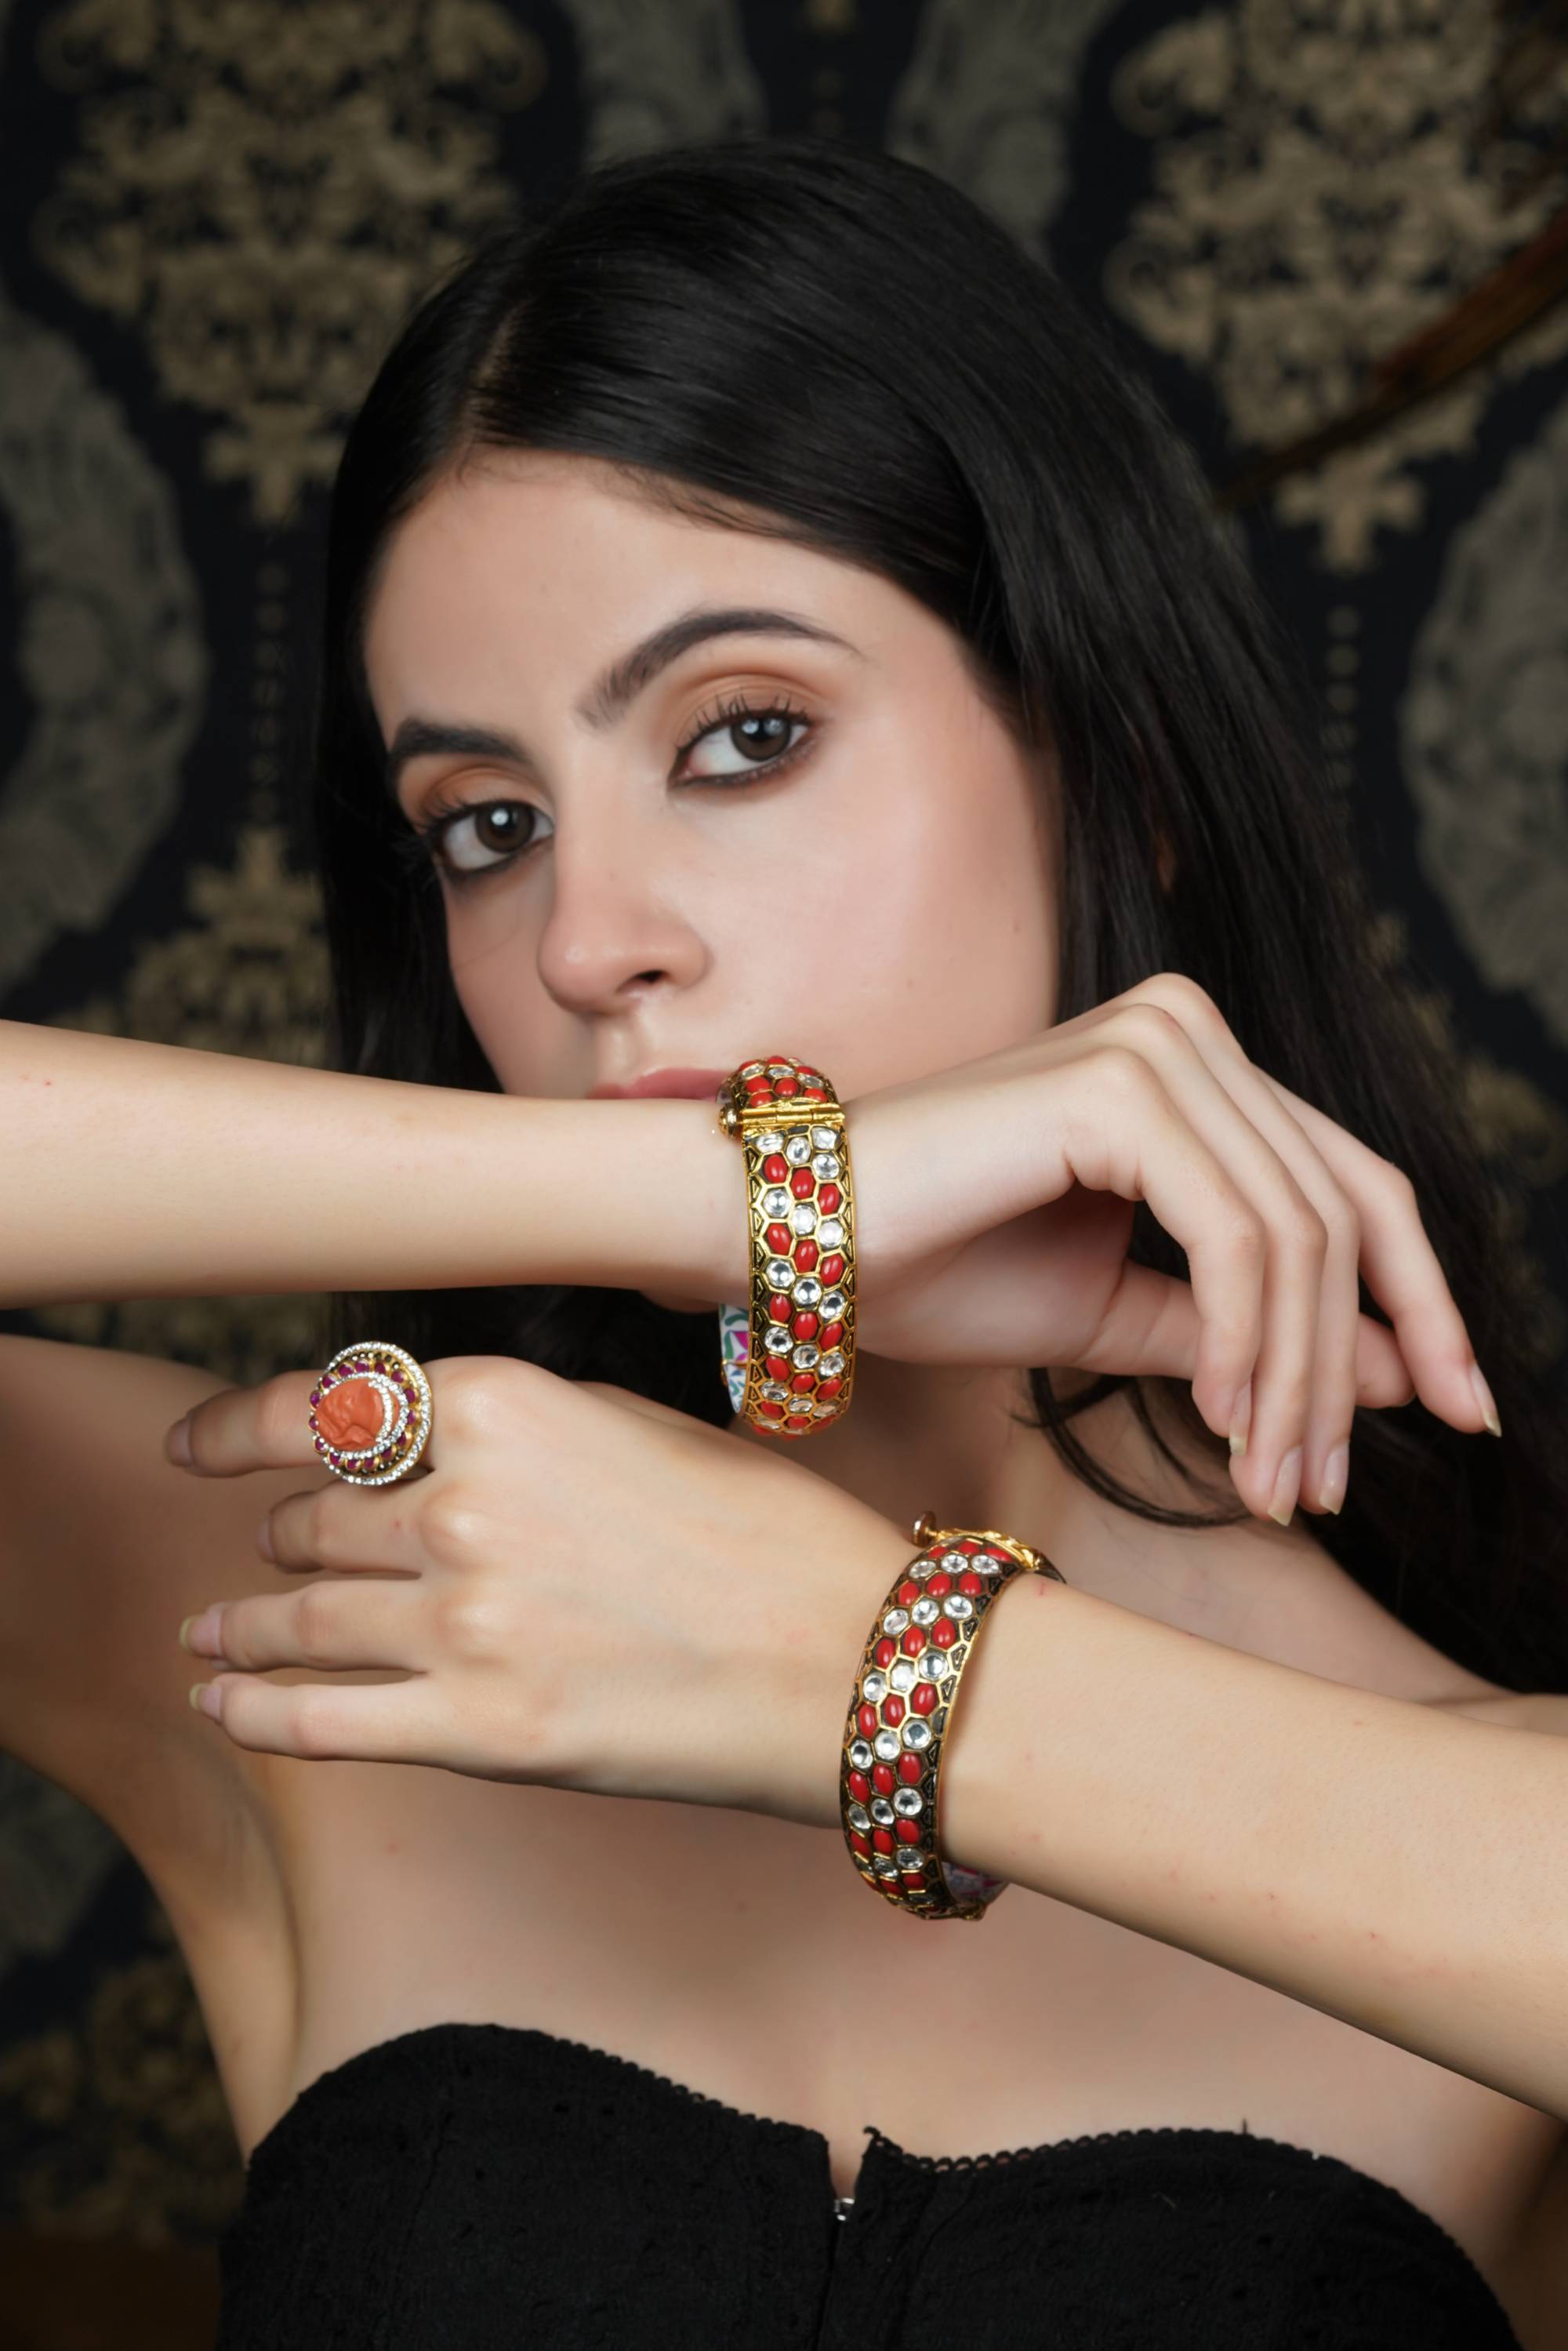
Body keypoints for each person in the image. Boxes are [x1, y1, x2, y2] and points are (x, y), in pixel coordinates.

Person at [2, 133, 1566, 2349]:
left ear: (1119, 774)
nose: (587, 943)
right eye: (488, 827)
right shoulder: (306, 1619)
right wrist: (733, 1193)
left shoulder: (1497, 1796)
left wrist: (862, 1666)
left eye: (745, 734)